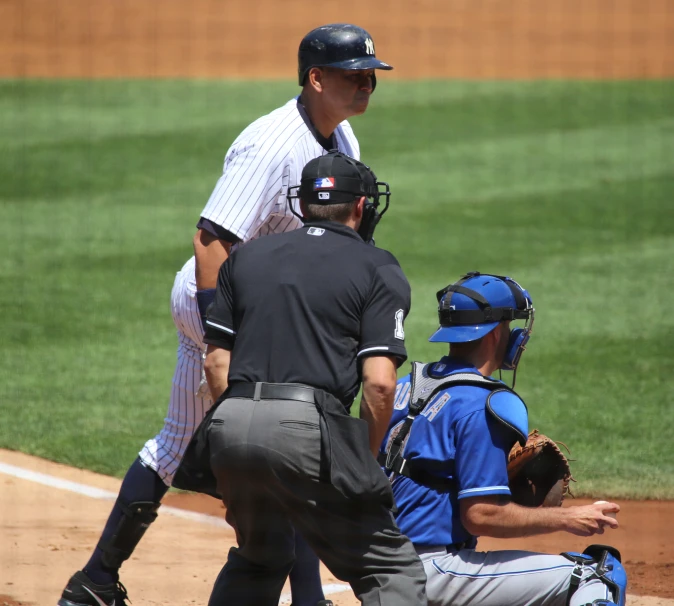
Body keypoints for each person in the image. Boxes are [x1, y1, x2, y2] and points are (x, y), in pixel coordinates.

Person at [57, 24, 393, 606]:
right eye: (352, 75)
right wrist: (223, 334)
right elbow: (211, 240)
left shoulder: (341, 140)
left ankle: (94, 581)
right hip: (220, 306)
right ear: (315, 78)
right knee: (291, 448)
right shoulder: (271, 145)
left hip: (262, 307)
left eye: (370, 76)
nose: (366, 85)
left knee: (186, 443)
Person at [197, 151, 427, 606]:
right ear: (361, 207)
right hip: (304, 431)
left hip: (229, 427)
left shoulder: (246, 258)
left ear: (301, 206)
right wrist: (364, 457)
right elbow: (380, 384)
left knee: (260, 554)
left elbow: (215, 365)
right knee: (389, 567)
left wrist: (238, 440)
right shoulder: (377, 265)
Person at [379, 271, 628, 606]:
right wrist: (568, 518)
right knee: (599, 573)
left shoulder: (407, 385)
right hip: (431, 571)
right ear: (496, 334)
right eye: (510, 325)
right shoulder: (483, 403)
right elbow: (481, 515)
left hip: (376, 563)